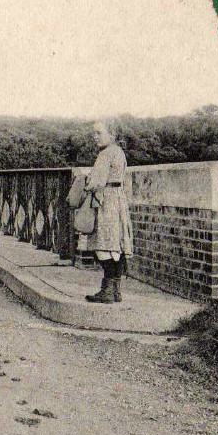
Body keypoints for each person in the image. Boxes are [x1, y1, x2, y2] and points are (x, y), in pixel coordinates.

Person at [84, 121, 134, 304]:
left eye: (99, 133)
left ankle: (107, 291)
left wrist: (86, 183)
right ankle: (115, 290)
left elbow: (96, 181)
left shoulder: (105, 154)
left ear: (111, 134)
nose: (95, 137)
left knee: (103, 245)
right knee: (116, 245)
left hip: (106, 201)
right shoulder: (119, 152)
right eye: (94, 133)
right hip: (118, 199)